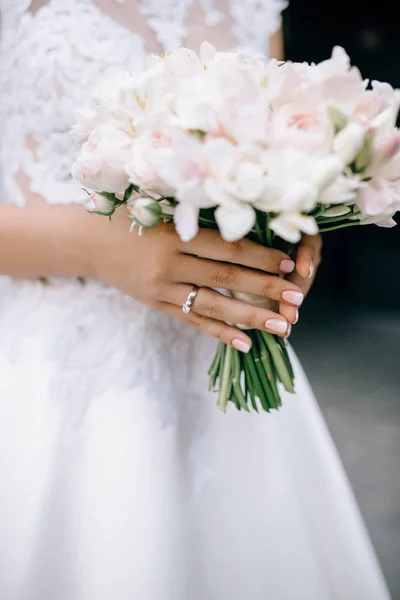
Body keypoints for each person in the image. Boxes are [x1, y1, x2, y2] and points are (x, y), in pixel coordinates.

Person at [0, 2, 391, 599]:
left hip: (225, 370)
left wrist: (292, 227)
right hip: (60, 370)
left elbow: (274, 147)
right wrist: (93, 249)